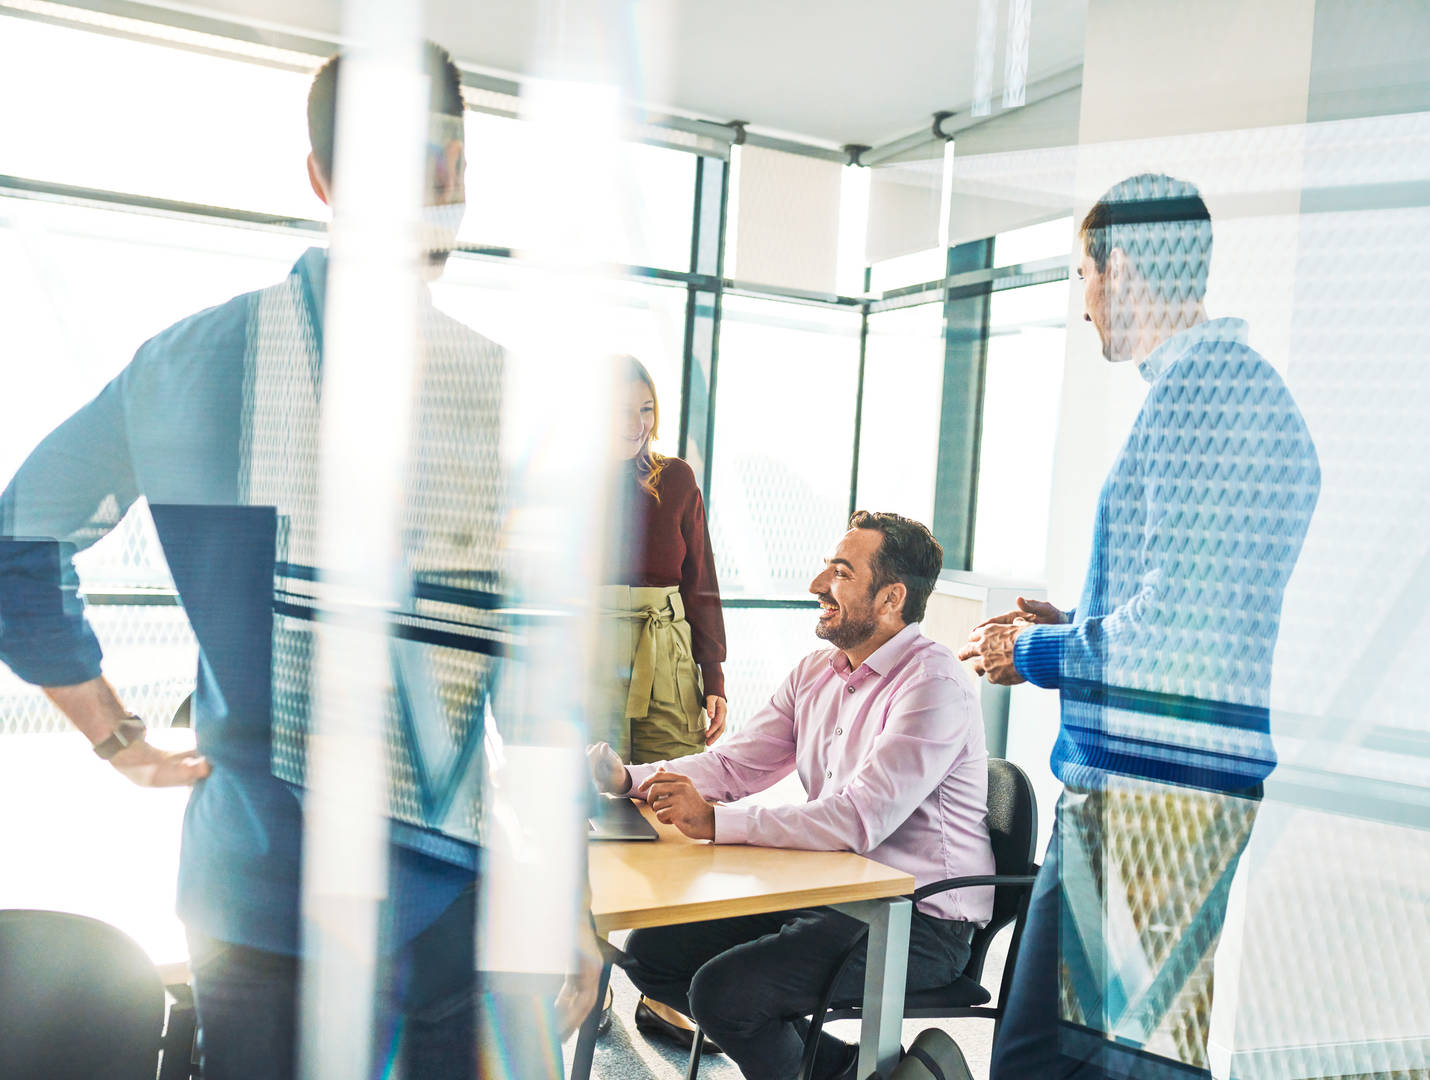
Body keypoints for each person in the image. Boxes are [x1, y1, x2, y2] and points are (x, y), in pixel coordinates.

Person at [0, 43, 597, 1080]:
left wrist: (120, 741)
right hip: (442, 901)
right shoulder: (504, 402)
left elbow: (18, 545)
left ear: (319, 178)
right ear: (456, 175)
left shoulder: (185, 366)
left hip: (250, 888)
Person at [960, 174, 1320, 1078]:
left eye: (1084, 272)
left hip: (1152, 796)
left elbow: (1176, 630)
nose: (1084, 307)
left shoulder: (1205, 401)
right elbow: (1197, 612)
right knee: (1115, 1053)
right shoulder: (1224, 395)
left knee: (1061, 1058)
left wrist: (1036, 650)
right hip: (1162, 789)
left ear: (1121, 266)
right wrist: (1080, 621)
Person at [590, 511, 996, 1080]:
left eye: (840, 572)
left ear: (890, 597)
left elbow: (857, 820)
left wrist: (716, 821)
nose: (816, 586)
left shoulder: (934, 685)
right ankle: (858, 1071)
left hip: (918, 919)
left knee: (727, 994)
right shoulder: (817, 672)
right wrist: (629, 779)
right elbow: (735, 764)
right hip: (834, 888)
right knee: (653, 955)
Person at [598, 356, 729, 1039]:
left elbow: (700, 580)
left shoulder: (675, 479)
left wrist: (715, 676)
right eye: (622, 409)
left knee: (671, 808)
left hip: (666, 647)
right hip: (587, 649)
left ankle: (663, 978)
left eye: (646, 410)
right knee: (584, 807)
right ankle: (585, 974)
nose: (636, 423)